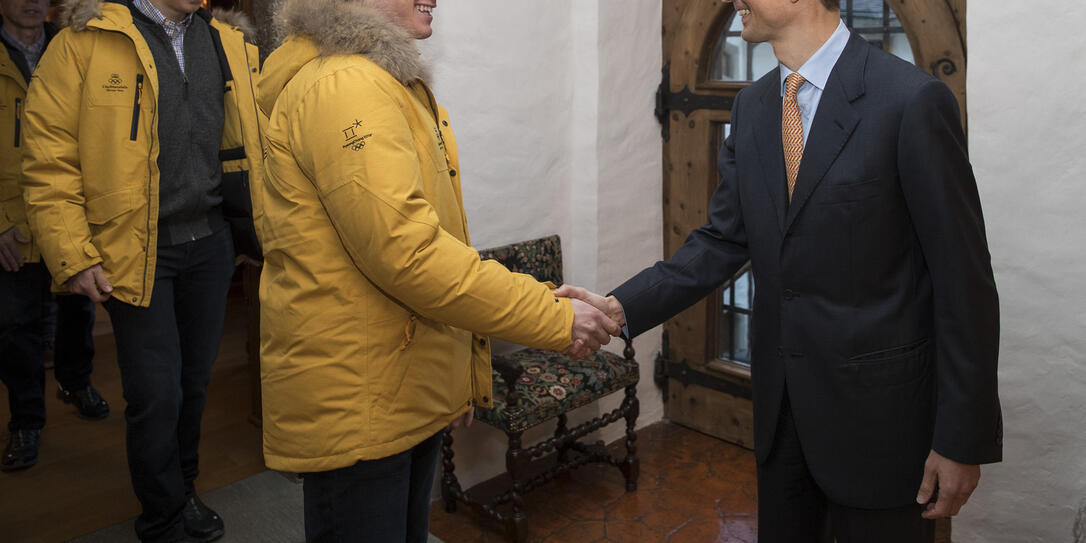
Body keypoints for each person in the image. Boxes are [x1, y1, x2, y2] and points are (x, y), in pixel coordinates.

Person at [558, 0, 1002, 541]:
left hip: (881, 421)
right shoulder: (754, 106)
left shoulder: (910, 100)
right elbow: (722, 239)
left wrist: (961, 440)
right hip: (781, 414)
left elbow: (965, 283)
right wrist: (620, 306)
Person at [256, 0, 621, 540]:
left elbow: (427, 249)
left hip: (398, 383)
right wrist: (552, 315)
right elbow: (410, 255)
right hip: (360, 396)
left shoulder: (378, 79)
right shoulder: (345, 84)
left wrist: (452, 383)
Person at [20, 0, 264, 540]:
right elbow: (48, 158)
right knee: (157, 395)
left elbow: (257, 138)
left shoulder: (227, 41)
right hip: (135, 249)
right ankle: (162, 517)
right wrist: (73, 252)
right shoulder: (84, 42)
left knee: (194, 385)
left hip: (213, 243)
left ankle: (185, 488)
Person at [0, 0, 107, 473]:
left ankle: (76, 382)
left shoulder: (72, 47)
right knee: (14, 327)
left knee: (76, 311)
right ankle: (26, 422)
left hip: (69, 212)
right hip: (13, 222)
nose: (30, 2)